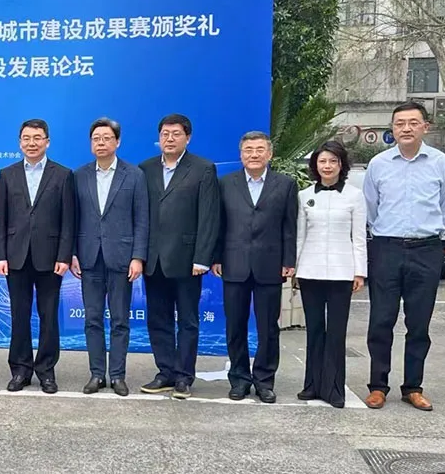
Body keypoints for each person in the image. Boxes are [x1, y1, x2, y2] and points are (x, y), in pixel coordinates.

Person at [363, 101, 445, 412]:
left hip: (426, 249)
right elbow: (371, 208)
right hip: (386, 248)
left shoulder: (441, 163)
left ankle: (413, 387)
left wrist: (429, 234)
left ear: (425, 127)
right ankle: (378, 386)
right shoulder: (378, 164)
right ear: (392, 128)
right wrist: (387, 236)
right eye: (400, 123)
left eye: (413, 123)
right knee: (381, 320)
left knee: (419, 323)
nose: (406, 128)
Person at [138, 114, 220, 399]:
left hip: (187, 260)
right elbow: (141, 215)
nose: (169, 139)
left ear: (188, 137)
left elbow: (209, 216)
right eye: (165, 134)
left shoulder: (203, 169)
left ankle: (184, 376)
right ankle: (166, 372)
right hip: (154, 259)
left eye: (175, 134)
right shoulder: (146, 168)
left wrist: (202, 257)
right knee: (158, 320)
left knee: (187, 320)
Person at [212, 131, 297, 404]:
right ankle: (239, 379)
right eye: (248, 150)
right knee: (235, 326)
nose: (254, 155)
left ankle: (264, 381)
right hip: (234, 263)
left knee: (268, 328)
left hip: (270, 265)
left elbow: (290, 227)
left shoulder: (285, 185)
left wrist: (289, 261)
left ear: (269, 154)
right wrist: (216, 257)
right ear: (241, 155)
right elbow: (219, 224)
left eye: (260, 149)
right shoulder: (226, 183)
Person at [0, 119, 76, 394]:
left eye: (37, 138)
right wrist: (0, 256)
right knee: (19, 316)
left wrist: (64, 255)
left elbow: (68, 220)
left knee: (48, 316)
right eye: (27, 138)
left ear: (47, 142)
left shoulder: (63, 175)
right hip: (16, 256)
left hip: (50, 258)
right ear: (20, 143)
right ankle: (20, 370)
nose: (32, 143)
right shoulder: (7, 174)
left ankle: (46, 371)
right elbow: (1, 219)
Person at [71, 118, 148, 397]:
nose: (100, 143)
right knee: (92, 319)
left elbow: (142, 219)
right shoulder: (79, 175)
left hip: (121, 258)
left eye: (106, 138)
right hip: (89, 258)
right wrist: (72, 253)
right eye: (96, 139)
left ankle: (117, 375)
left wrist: (138, 256)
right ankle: (96, 374)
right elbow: (72, 219)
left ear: (117, 141)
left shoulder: (134, 175)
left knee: (119, 320)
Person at [296, 140, 366, 409]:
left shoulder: (354, 196)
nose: (327, 166)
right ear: (315, 165)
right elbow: (300, 236)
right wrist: (296, 269)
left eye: (333, 161)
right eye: (322, 161)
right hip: (310, 271)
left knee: (336, 332)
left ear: (341, 165)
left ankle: (334, 388)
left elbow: (359, 237)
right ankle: (312, 385)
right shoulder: (304, 195)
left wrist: (359, 272)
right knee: (314, 330)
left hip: (341, 272)